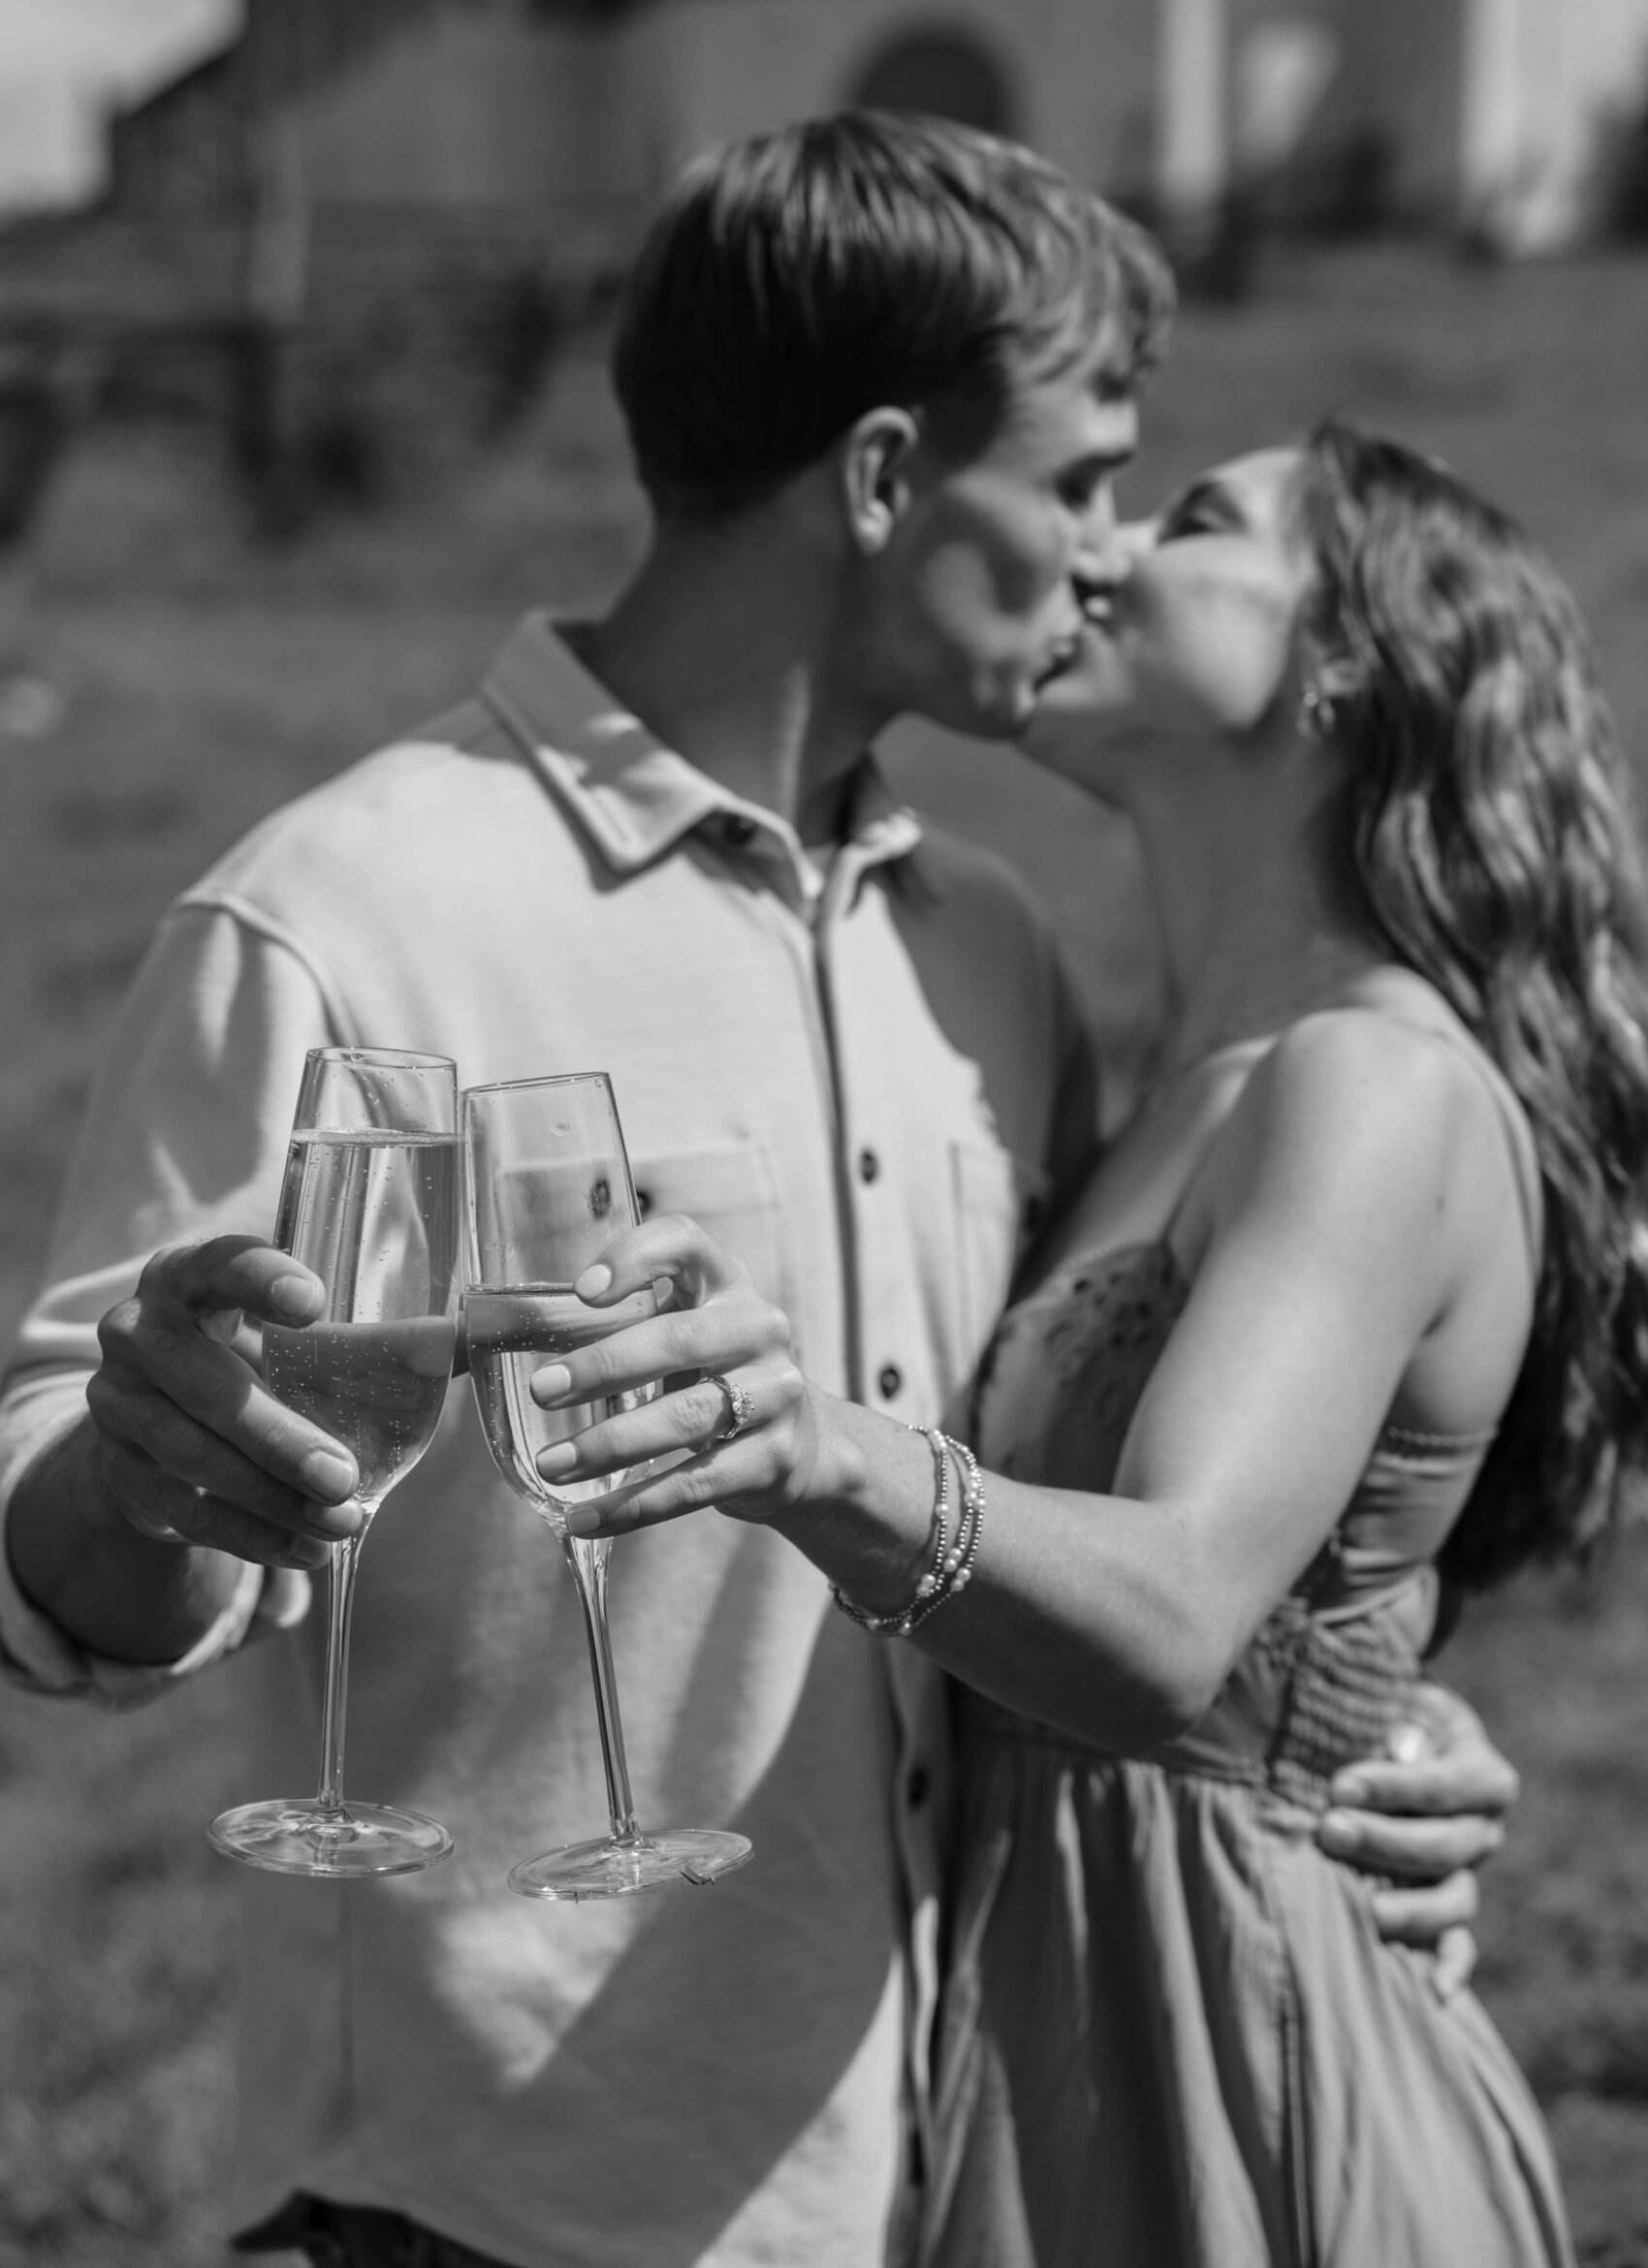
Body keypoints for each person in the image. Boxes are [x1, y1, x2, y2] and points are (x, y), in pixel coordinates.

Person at [0, 123, 1512, 2268]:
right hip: (487, 2204)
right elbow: (63, 1565)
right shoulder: (337, 914)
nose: (1103, 557)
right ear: (884, 477)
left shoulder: (991, 951)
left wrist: (1362, 1723)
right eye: (1082, 480)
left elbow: (1096, 1491)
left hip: (944, 2159)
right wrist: (138, 1475)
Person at [516, 422, 1648, 2264]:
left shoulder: (1369, 1079)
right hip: (1069, 2028)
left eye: (1195, 519)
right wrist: (1376, 1708)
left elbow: (1184, 1617)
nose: (1099, 549)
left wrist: (817, 1448)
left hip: (1235, 2070)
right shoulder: (1171, 1079)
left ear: (1350, 659)